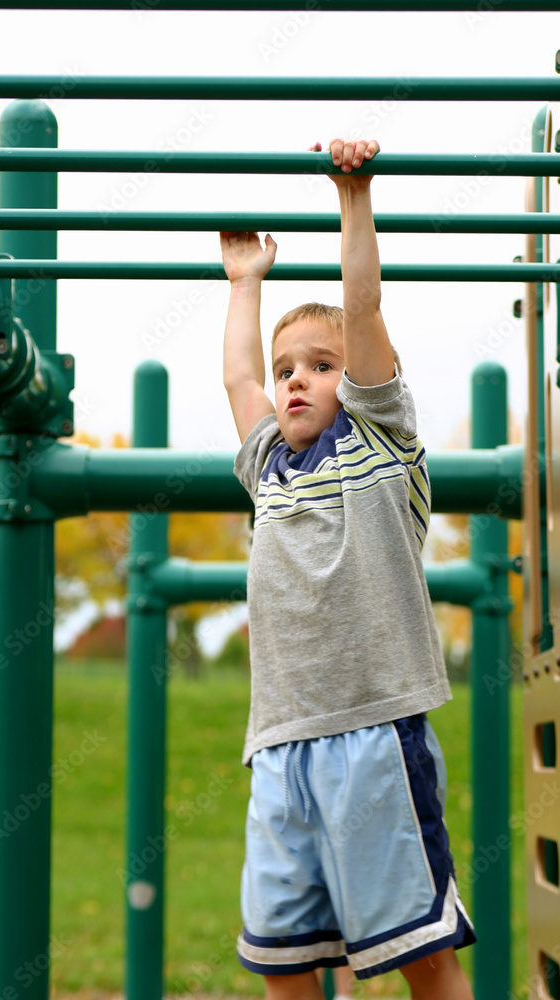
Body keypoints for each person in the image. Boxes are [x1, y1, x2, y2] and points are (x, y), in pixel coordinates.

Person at [219, 138, 476, 1000]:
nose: (296, 382)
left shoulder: (381, 443)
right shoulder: (268, 468)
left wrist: (353, 197)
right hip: (280, 744)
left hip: (375, 735)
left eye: (320, 367)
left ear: (357, 380)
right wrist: (245, 284)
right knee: (284, 964)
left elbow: (361, 308)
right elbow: (240, 378)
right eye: (288, 371)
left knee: (423, 955)